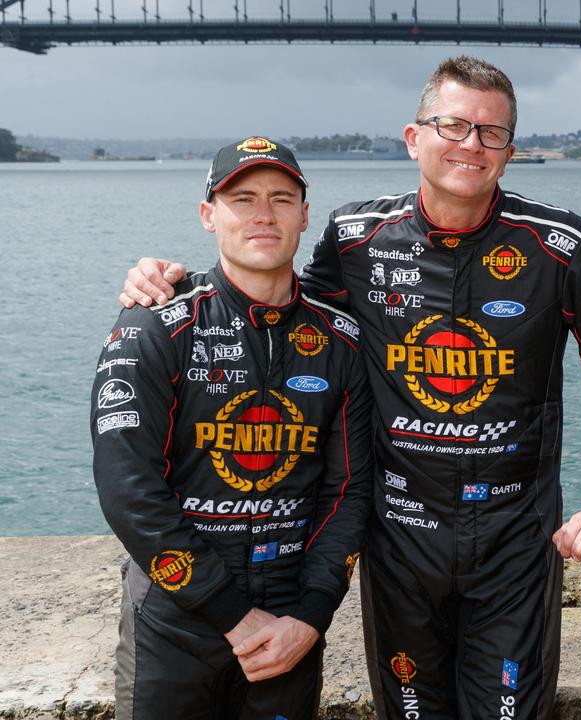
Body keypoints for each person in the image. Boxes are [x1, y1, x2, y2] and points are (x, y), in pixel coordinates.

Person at [117, 56, 581, 719]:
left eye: (490, 133)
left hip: (517, 540)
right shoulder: (355, 238)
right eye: (453, 125)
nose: (470, 145)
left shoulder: (564, 244)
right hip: (399, 539)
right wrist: (173, 283)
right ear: (414, 137)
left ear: (510, 152)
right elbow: (277, 307)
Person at [91, 137, 372, 720]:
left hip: (290, 623)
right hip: (176, 619)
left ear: (304, 216)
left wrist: (311, 617)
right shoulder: (154, 327)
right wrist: (231, 614)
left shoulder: (342, 342)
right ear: (208, 216)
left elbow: (348, 492)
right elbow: (128, 490)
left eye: (281, 198)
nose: (263, 214)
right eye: (242, 198)